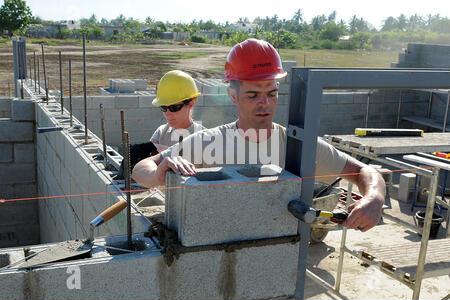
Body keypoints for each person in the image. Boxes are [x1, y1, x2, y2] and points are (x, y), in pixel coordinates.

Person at [132, 38, 385, 232]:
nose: (265, 104)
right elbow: (140, 169)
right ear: (233, 95)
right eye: (253, 95)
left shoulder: (297, 146)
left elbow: (364, 171)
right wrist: (158, 172)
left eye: (271, 93)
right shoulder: (209, 142)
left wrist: (374, 196)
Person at [150, 70, 205, 153]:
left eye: (174, 107)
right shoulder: (161, 132)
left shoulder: (202, 136)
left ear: (190, 104)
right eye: (163, 107)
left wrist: (163, 150)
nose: (167, 114)